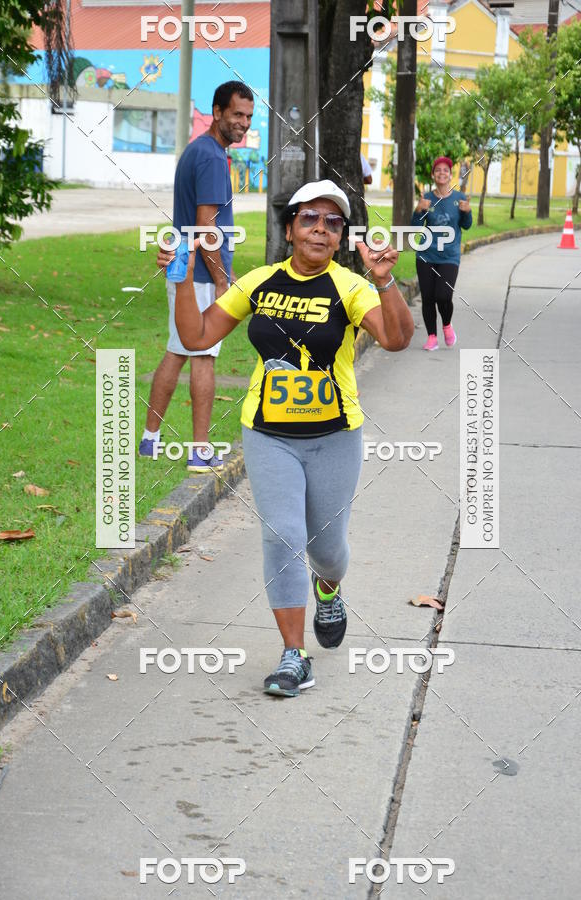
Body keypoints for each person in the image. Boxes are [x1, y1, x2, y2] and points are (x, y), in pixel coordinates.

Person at [157, 180, 414, 696]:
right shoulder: (259, 282)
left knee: (328, 548)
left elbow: (396, 338)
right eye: (310, 219)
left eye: (333, 222)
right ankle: (294, 656)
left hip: (335, 436)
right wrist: (183, 280)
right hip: (268, 433)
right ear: (291, 228)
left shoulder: (351, 286)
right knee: (282, 536)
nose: (321, 229)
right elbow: (197, 337)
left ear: (341, 236)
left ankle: (329, 586)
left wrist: (385, 282)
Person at [139, 81, 254, 470]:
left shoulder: (199, 151)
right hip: (200, 275)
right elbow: (207, 227)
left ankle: (150, 440)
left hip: (183, 269)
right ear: (217, 112)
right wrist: (222, 278)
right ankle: (199, 450)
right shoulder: (210, 158)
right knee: (203, 356)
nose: (244, 123)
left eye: (249, 117)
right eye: (237, 114)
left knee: (177, 352)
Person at [411, 156, 472, 351]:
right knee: (428, 298)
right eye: (438, 170)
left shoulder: (459, 198)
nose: (442, 173)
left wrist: (467, 212)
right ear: (433, 175)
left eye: (446, 170)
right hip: (426, 255)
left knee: (443, 296)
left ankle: (446, 324)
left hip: (449, 257)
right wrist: (419, 210)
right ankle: (431, 337)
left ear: (450, 175)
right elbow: (415, 227)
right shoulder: (427, 198)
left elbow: (467, 225)